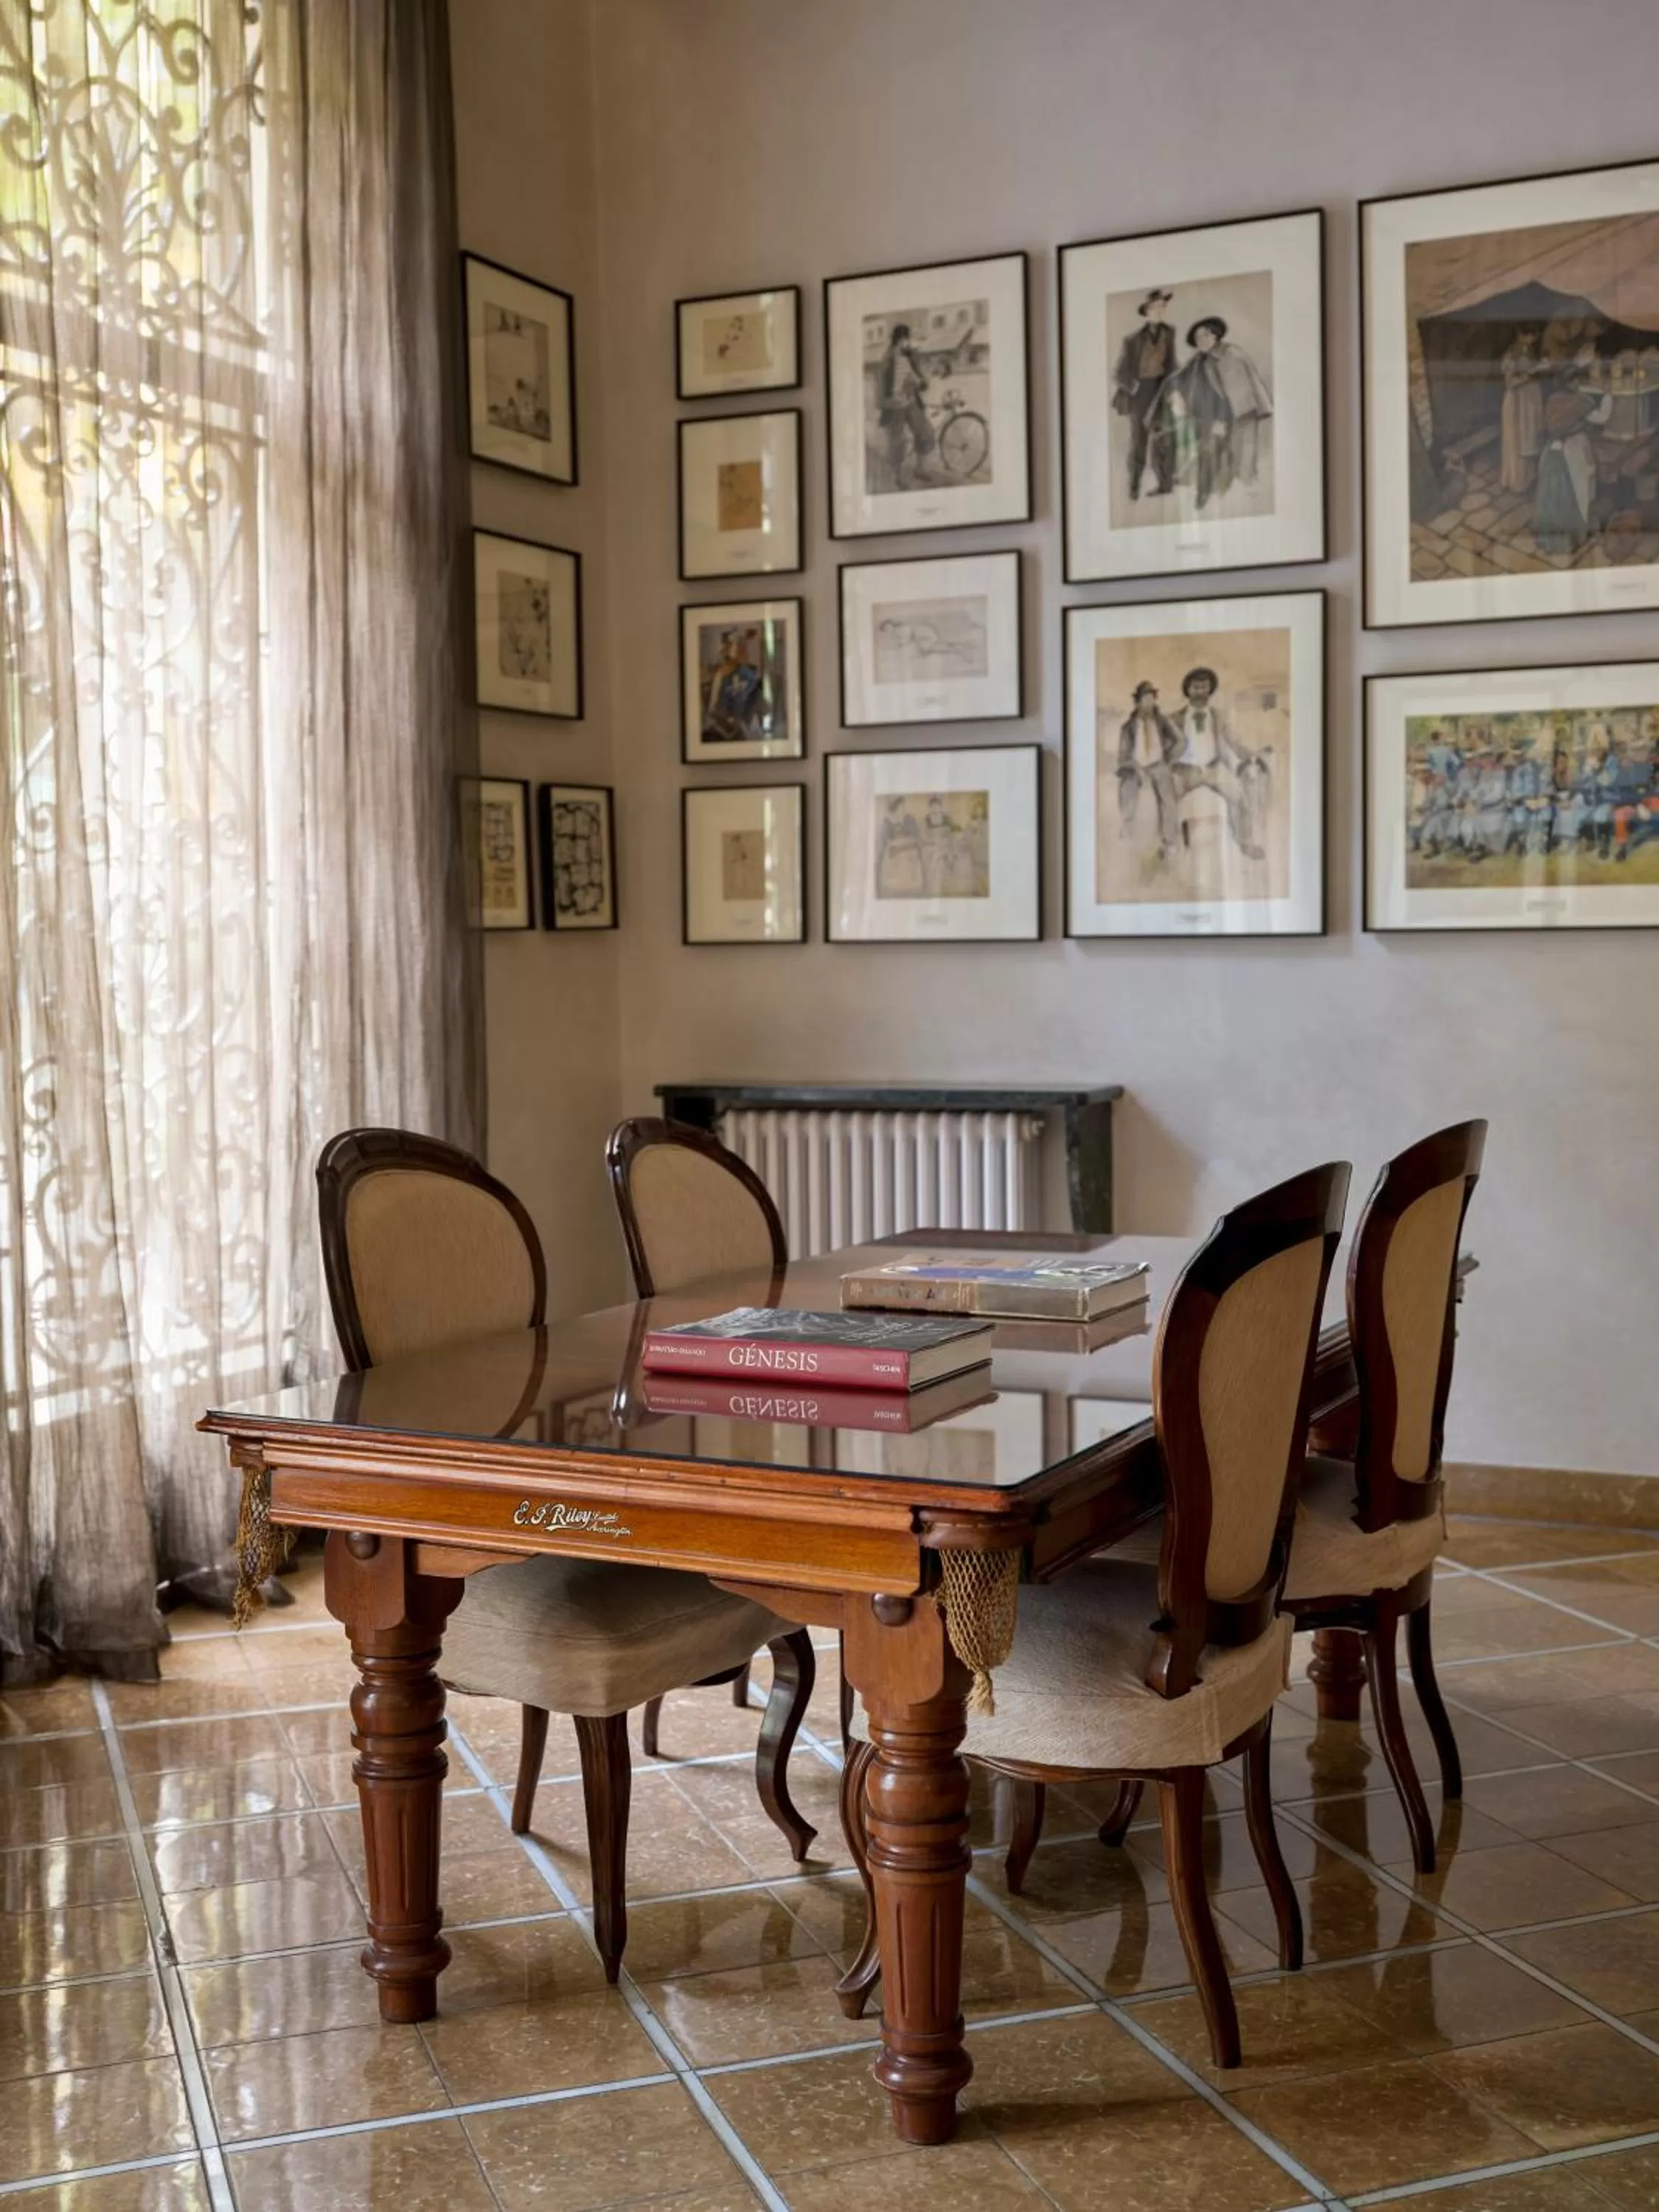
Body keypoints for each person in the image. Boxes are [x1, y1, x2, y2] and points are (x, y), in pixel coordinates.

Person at [1155, 316, 1273, 509]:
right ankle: (1180, 487)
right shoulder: (1200, 358)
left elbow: (1238, 400)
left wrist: (1221, 422)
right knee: (1165, 439)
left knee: (1230, 461)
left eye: (1205, 335)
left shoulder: (1231, 356)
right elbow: (1179, 378)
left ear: (1215, 336)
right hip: (1211, 419)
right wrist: (1174, 392)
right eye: (1197, 337)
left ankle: (1209, 498)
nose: (1200, 340)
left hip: (1238, 419)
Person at [1170, 667, 1267, 860]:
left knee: (1240, 797)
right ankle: (1170, 848)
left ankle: (1245, 844)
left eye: (1204, 687)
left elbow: (1234, 741)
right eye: (1196, 687)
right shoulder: (1173, 719)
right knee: (1166, 801)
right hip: (1185, 771)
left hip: (1215, 768)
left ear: (1210, 690)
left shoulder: (1219, 716)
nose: (1200, 692)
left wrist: (1251, 755)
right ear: (1187, 690)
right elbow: (1164, 750)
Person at [1111, 288, 1178, 501]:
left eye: (1163, 307)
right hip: (1141, 393)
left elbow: (1172, 365)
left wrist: (1175, 390)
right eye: (1156, 307)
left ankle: (1165, 485)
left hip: (1162, 390)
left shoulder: (1170, 333)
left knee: (1164, 438)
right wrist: (1136, 388)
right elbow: (1119, 373)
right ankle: (1134, 488)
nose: (1160, 311)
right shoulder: (1132, 340)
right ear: (1147, 311)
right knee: (1139, 441)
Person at [1116, 680, 1183, 856]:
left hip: (1158, 764)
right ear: (1137, 702)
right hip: (1135, 766)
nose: (1148, 703)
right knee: (1127, 789)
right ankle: (1127, 830)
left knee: (1168, 797)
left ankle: (1170, 842)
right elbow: (1123, 755)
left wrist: (1169, 758)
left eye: (1151, 699)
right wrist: (1135, 767)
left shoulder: (1163, 721)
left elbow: (1181, 740)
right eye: (1145, 699)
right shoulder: (1128, 727)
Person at [1535, 389, 1599, 555]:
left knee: (1552, 507)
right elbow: (1588, 466)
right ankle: (1570, 539)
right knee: (1572, 506)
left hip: (1552, 485)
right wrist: (1593, 470)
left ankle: (1550, 540)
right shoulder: (1579, 441)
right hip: (1572, 486)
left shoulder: (1549, 449)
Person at [874, 321, 936, 490]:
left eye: (908, 340)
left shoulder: (910, 357)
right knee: (898, 443)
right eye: (905, 340)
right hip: (894, 406)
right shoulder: (887, 360)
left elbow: (919, 380)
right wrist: (884, 402)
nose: (907, 343)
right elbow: (880, 386)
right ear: (898, 340)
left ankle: (920, 469)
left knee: (925, 433)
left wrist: (920, 382)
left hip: (910, 402)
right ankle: (899, 477)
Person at [1498, 330, 1545, 494]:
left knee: (1529, 439)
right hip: (1517, 403)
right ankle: (1518, 483)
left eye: (1533, 337)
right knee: (1517, 440)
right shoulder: (1510, 357)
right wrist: (1529, 375)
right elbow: (1510, 383)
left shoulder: (1528, 351)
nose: (1531, 340)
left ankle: (1529, 478)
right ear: (1519, 335)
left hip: (1528, 401)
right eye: (1528, 336)